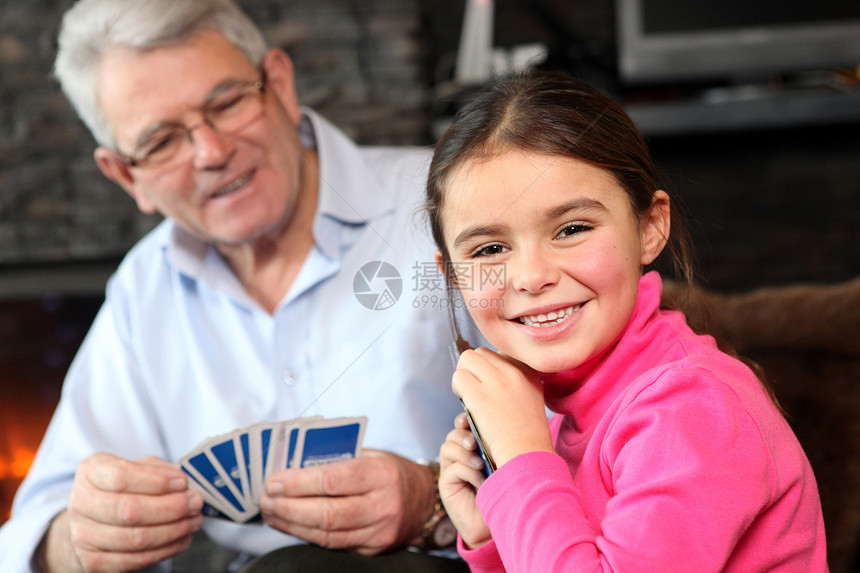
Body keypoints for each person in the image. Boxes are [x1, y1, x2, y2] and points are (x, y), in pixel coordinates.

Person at [0, 1, 474, 571]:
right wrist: (80, 541)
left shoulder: (455, 204)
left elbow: (591, 442)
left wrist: (433, 498)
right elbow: (34, 528)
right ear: (128, 176)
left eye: (226, 103)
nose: (212, 153)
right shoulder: (145, 288)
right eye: (161, 142)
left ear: (280, 83)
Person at [425, 71, 829, 572]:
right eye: (489, 249)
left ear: (649, 227)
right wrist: (491, 531)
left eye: (571, 228)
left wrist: (522, 462)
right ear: (452, 276)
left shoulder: (692, 406)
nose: (530, 276)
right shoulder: (562, 415)